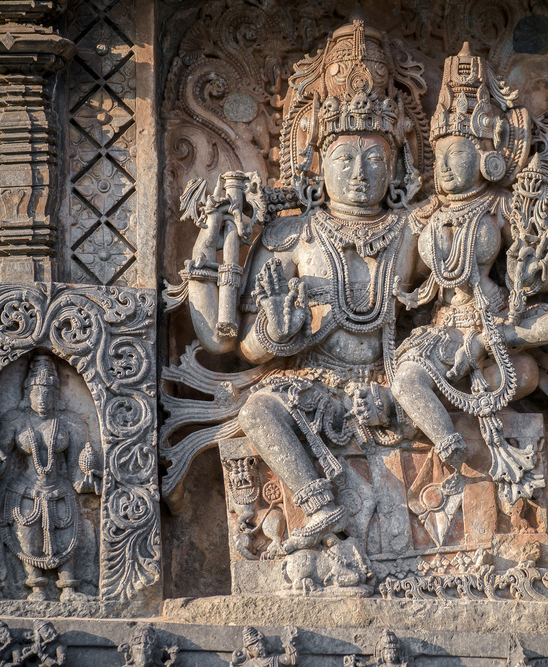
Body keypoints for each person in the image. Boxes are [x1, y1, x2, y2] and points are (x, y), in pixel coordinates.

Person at [183, 14, 427, 554]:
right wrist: (274, 334)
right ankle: (321, 507)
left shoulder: (415, 230)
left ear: (396, 162)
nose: (360, 173)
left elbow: (452, 300)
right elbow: (238, 346)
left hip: (394, 385)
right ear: (318, 163)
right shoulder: (291, 234)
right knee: (257, 409)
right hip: (315, 387)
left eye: (374, 158)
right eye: (344, 158)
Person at [391, 44, 548, 502]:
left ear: (487, 155)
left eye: (457, 153)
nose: (443, 166)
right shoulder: (422, 216)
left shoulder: (503, 204)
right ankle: (451, 445)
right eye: (439, 154)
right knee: (405, 377)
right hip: (445, 328)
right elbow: (396, 282)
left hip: (501, 321)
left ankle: (453, 408)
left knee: (545, 348)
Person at [0, 353, 98, 602]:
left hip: (60, 491)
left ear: (57, 395)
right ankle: (36, 589)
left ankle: (68, 588)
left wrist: (89, 474)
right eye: (37, 393)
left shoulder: (70, 423)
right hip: (25, 492)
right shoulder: (15, 420)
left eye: (48, 393)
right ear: (27, 393)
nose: (42, 399)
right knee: (28, 542)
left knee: (66, 539)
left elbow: (77, 469)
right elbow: (0, 461)